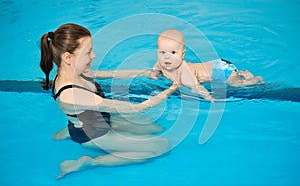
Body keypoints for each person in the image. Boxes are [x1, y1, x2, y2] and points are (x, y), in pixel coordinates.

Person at [40, 23, 179, 179]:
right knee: (161, 146)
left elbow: (112, 73)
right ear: (68, 57)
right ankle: (89, 162)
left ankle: (71, 126)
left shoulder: (75, 71)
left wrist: (146, 72)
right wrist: (174, 87)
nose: (93, 56)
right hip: (95, 135)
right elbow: (139, 108)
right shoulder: (71, 94)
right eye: (88, 52)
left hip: (98, 118)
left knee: (155, 128)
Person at [150, 29, 264, 102]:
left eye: (173, 53)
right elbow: (156, 68)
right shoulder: (162, 62)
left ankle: (253, 79)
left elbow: (197, 87)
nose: (167, 57)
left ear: (182, 54)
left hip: (222, 71)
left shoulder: (185, 72)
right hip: (214, 64)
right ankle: (241, 72)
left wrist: (209, 98)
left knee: (237, 85)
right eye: (162, 52)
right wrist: (154, 73)